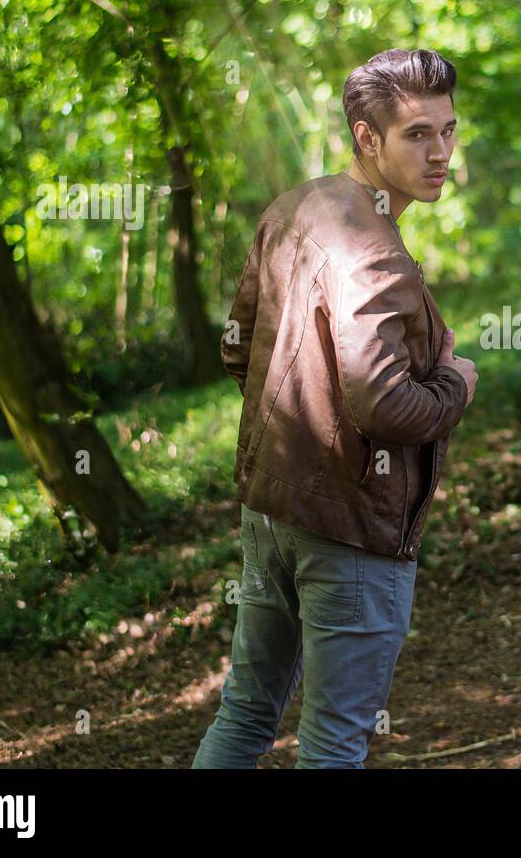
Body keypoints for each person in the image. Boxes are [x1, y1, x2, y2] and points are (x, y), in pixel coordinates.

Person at [192, 48, 479, 769]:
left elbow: (237, 350)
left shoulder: (296, 207)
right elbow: (384, 403)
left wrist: (298, 441)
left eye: (448, 130)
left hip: (272, 511)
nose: (440, 151)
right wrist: (457, 387)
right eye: (418, 134)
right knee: (334, 744)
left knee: (246, 713)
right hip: (350, 533)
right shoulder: (374, 251)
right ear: (366, 138)